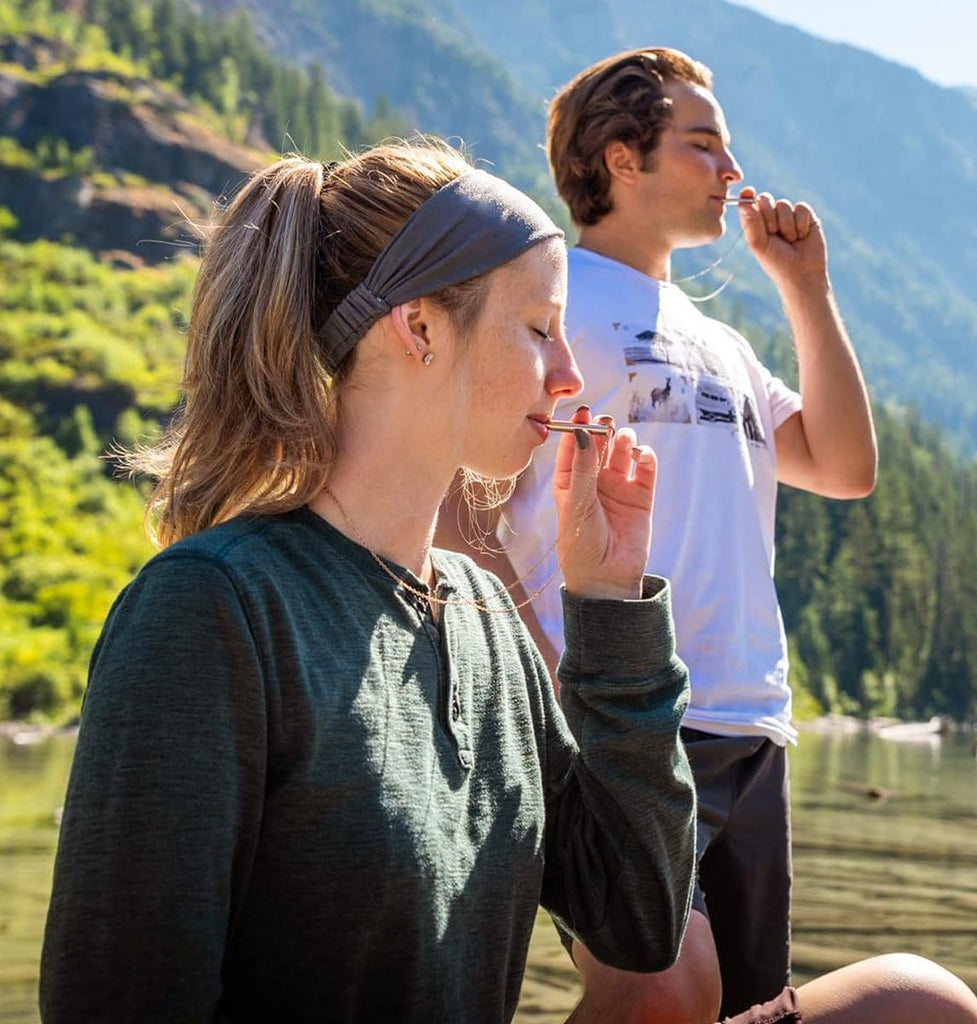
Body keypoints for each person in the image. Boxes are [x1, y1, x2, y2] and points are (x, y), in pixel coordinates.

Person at [38, 139, 700, 1023]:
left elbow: (640, 922)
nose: (571, 375)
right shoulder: (211, 608)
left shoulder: (485, 616)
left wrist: (613, 608)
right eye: (541, 329)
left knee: (914, 1000)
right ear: (419, 325)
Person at [438, 44, 875, 1020]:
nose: (732, 170)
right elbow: (458, 500)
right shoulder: (555, 304)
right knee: (666, 989)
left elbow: (845, 467)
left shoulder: (719, 338)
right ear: (620, 158)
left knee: (741, 1007)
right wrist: (548, 668)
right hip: (616, 718)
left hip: (750, 719)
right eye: (703, 144)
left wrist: (805, 288)